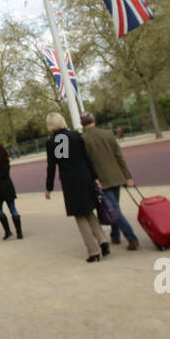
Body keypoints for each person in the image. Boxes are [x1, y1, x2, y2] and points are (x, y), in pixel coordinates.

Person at [44, 112, 107, 262]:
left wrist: (49, 187)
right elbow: (86, 158)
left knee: (79, 215)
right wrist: (95, 177)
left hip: (69, 180)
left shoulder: (51, 142)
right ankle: (103, 240)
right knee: (89, 211)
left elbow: (51, 166)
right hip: (84, 176)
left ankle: (93, 251)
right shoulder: (75, 136)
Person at [80, 112, 139, 250]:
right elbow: (119, 156)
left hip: (101, 180)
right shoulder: (108, 134)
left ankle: (131, 237)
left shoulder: (83, 139)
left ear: (82, 124)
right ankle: (115, 235)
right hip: (116, 176)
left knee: (113, 209)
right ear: (94, 120)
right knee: (113, 207)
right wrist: (127, 176)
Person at [0, 142, 22, 240]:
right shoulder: (6, 160)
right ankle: (19, 233)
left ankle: (7, 231)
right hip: (8, 185)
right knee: (13, 209)